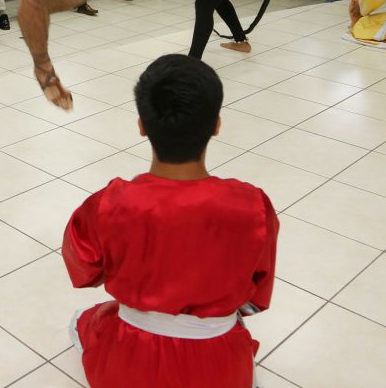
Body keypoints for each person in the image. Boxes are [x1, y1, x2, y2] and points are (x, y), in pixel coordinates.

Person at [64, 54, 278, 388]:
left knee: (87, 321)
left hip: (132, 361)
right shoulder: (252, 206)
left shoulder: (110, 204)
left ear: (141, 126)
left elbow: (85, 268)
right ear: (217, 125)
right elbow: (257, 290)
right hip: (220, 364)